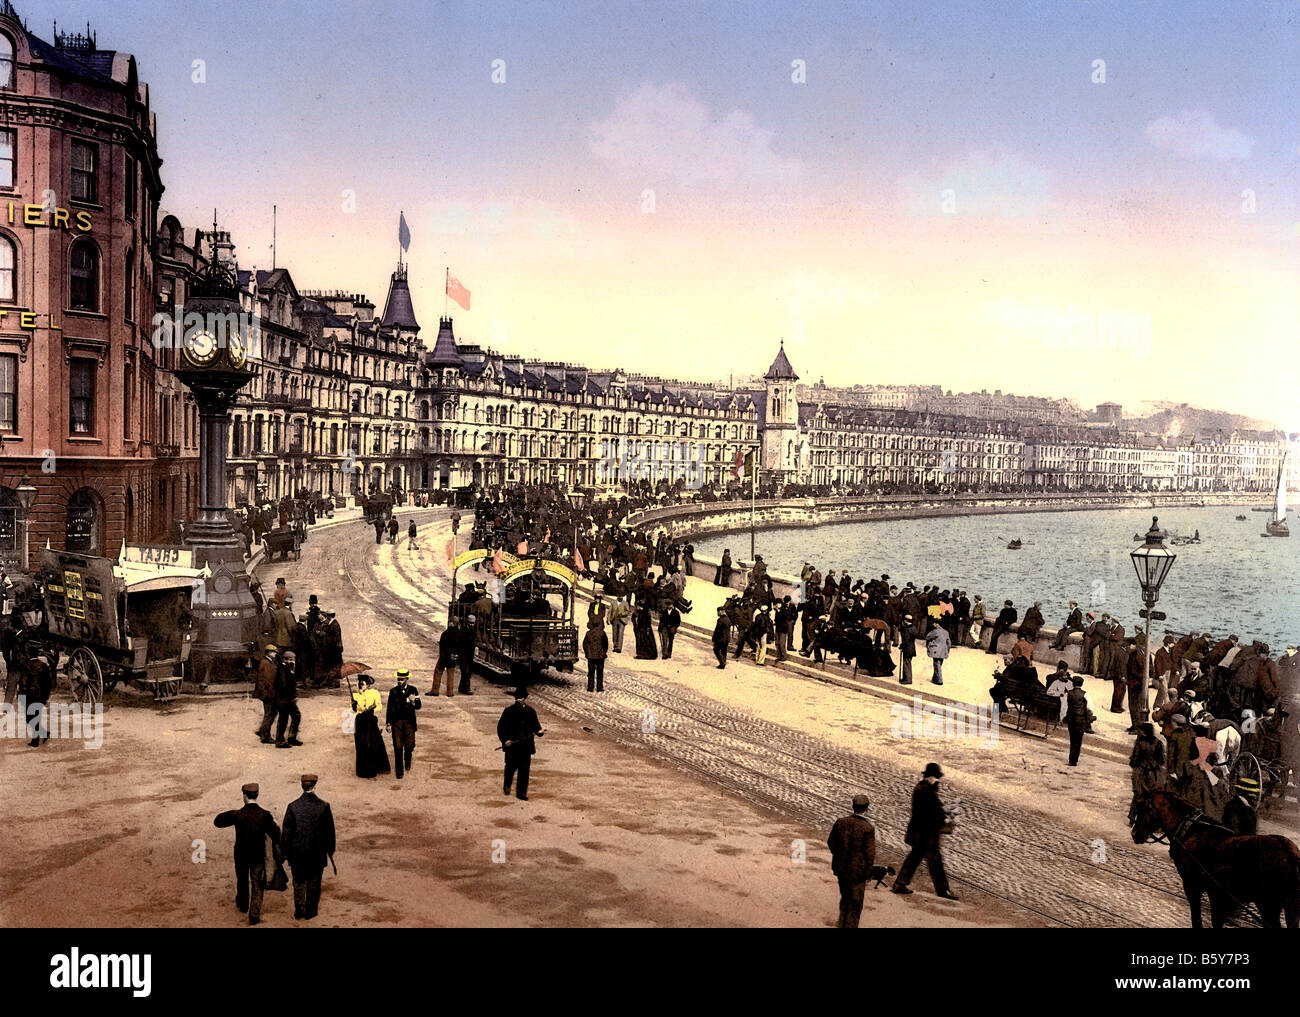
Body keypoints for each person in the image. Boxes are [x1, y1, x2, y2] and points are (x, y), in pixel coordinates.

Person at [213, 783, 281, 925]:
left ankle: (243, 905)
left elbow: (217, 822)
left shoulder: (238, 814)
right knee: (257, 884)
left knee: (242, 880)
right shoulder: (264, 814)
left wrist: (232, 813)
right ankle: (254, 913)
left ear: (244, 796)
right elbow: (276, 834)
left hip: (241, 855)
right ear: (257, 795)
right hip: (257, 855)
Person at [892, 763, 956, 900]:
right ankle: (942, 890)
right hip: (926, 834)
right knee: (935, 862)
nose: (938, 780)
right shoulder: (926, 790)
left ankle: (900, 884)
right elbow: (931, 812)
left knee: (914, 859)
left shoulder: (923, 788)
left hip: (921, 833)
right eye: (936, 777)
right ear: (931, 776)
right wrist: (945, 816)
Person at [281, 774, 336, 921]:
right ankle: (311, 911)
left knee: (298, 882)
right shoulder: (324, 806)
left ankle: (299, 910)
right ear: (315, 785)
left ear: (301, 786)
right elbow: (329, 832)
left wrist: (285, 853)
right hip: (316, 853)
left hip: (297, 853)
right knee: (314, 882)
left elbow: (286, 833)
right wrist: (330, 850)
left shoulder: (292, 807)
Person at [827, 794, 877, 929]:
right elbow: (870, 854)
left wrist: (839, 857)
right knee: (855, 904)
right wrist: (868, 872)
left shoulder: (841, 822)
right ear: (867, 809)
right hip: (858, 873)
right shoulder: (868, 828)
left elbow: (831, 842)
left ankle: (841, 924)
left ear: (853, 807)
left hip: (841, 870)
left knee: (844, 899)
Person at [497, 687, 544, 801]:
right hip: (512, 747)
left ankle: (521, 792)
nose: (519, 700)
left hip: (525, 747)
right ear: (515, 698)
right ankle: (507, 785)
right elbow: (501, 728)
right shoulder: (508, 711)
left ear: (525, 698)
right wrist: (505, 740)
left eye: (521, 698)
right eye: (517, 698)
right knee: (510, 767)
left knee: (524, 769)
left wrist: (539, 732)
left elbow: (537, 728)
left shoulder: (531, 712)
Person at [351, 674, 391, 778]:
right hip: (360, 721)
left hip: (370, 721)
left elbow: (379, 705)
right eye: (359, 684)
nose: (361, 686)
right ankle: (363, 771)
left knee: (373, 743)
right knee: (361, 744)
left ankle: (376, 768)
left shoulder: (374, 693)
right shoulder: (355, 695)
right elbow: (353, 710)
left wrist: (372, 710)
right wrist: (354, 706)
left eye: (363, 684)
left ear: (368, 685)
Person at [385, 668, 421, 779]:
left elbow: (419, 706)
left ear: (407, 679)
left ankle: (408, 758)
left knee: (410, 744)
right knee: (398, 746)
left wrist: (413, 701)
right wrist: (388, 723)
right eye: (398, 679)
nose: (399, 681)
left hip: (409, 722)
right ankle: (399, 771)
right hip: (397, 722)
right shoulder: (393, 691)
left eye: (401, 679)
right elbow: (389, 708)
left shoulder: (413, 690)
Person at [1127, 723, 1165, 823]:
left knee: (1138, 795)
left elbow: (1135, 758)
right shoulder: (1158, 743)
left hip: (1140, 771)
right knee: (1151, 796)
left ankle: (1133, 817)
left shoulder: (1139, 742)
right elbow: (1161, 760)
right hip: (1154, 772)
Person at [273, 650, 302, 749]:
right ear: (287, 659)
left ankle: (290, 738)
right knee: (284, 718)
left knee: (294, 716)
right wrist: (292, 696)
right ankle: (281, 740)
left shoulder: (289, 668)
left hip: (287, 698)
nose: (294, 661)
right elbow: (284, 684)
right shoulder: (282, 669)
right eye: (292, 659)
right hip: (284, 698)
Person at [254, 644, 280, 744]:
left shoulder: (267, 662)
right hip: (268, 693)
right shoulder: (266, 663)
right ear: (269, 653)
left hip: (266, 692)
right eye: (274, 652)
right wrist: (271, 693)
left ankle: (262, 731)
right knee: (269, 714)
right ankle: (265, 737)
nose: (275, 654)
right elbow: (268, 680)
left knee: (269, 714)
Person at [1066, 675, 1091, 766]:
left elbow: (1066, 706)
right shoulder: (1085, 694)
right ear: (1082, 684)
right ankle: (1074, 760)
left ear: (1073, 683)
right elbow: (1090, 708)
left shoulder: (1069, 693)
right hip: (1080, 720)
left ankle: (1071, 758)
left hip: (1071, 719)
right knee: (1078, 740)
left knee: (1072, 739)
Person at [428, 620, 458, 696]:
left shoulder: (445, 633)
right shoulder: (458, 634)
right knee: (451, 674)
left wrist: (443, 656)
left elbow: (442, 646)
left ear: (451, 624)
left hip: (444, 657)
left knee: (438, 672)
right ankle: (450, 692)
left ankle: (435, 690)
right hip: (453, 657)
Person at [583, 622, 609, 692]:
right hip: (600, 656)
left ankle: (590, 687)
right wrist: (604, 652)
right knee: (600, 672)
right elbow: (605, 644)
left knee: (591, 672)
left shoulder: (588, 633)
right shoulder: (602, 633)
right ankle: (599, 687)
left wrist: (587, 653)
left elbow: (585, 644)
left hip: (591, 656)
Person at [457, 613, 477, 694]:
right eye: (470, 623)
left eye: (473, 623)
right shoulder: (463, 630)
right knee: (465, 672)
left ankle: (461, 687)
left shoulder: (472, 630)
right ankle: (466, 688)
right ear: (467, 623)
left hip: (470, 654)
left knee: (468, 672)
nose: (472, 625)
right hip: (464, 654)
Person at [925, 620, 950, 685]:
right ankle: (934, 678)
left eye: (934, 623)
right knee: (939, 665)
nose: (933, 625)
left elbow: (927, 637)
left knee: (936, 664)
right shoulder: (946, 632)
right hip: (943, 651)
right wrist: (947, 651)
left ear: (937, 624)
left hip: (936, 650)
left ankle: (939, 680)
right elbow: (949, 643)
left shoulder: (935, 631)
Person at [898, 614, 916, 685]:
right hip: (911, 648)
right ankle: (905, 677)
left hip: (907, 648)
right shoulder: (913, 628)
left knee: (906, 664)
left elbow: (906, 640)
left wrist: (901, 646)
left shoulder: (907, 630)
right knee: (907, 663)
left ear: (905, 620)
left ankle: (908, 679)